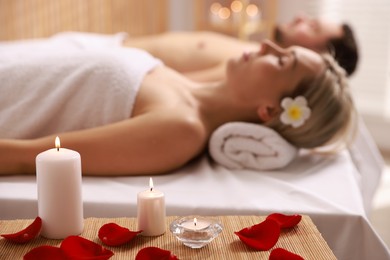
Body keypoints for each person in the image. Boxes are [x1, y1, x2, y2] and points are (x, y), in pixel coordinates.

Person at [0, 33, 355, 176]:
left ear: (271, 111)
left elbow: (30, 157)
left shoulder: (181, 130)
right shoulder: (188, 85)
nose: (266, 45)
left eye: (281, 61)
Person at [125, 14, 359, 82]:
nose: (301, 18)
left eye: (312, 27)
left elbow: (172, 84)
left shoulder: (248, 65)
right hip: (117, 46)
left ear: (317, 58)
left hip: (120, 63)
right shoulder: (257, 51)